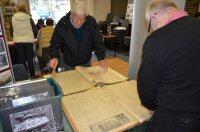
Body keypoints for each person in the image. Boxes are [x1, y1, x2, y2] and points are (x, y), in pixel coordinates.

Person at [137, 0, 200, 132]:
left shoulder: (158, 39)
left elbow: (146, 86)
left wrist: (151, 107)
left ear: (153, 18)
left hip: (172, 119)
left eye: (150, 25)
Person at [49, 1, 107, 71]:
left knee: (87, 81)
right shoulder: (63, 23)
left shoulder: (91, 22)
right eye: (76, 19)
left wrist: (101, 58)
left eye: (82, 19)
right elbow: (55, 44)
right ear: (72, 15)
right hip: (69, 64)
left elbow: (98, 41)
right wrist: (54, 56)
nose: (79, 22)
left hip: (86, 62)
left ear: (85, 16)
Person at [10, 4, 38, 78]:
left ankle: (24, 76)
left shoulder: (13, 18)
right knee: (30, 59)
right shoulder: (29, 18)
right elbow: (35, 30)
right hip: (28, 41)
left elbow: (11, 30)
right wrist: (33, 37)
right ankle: (32, 75)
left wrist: (15, 37)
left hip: (18, 42)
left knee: (21, 60)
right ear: (24, 9)